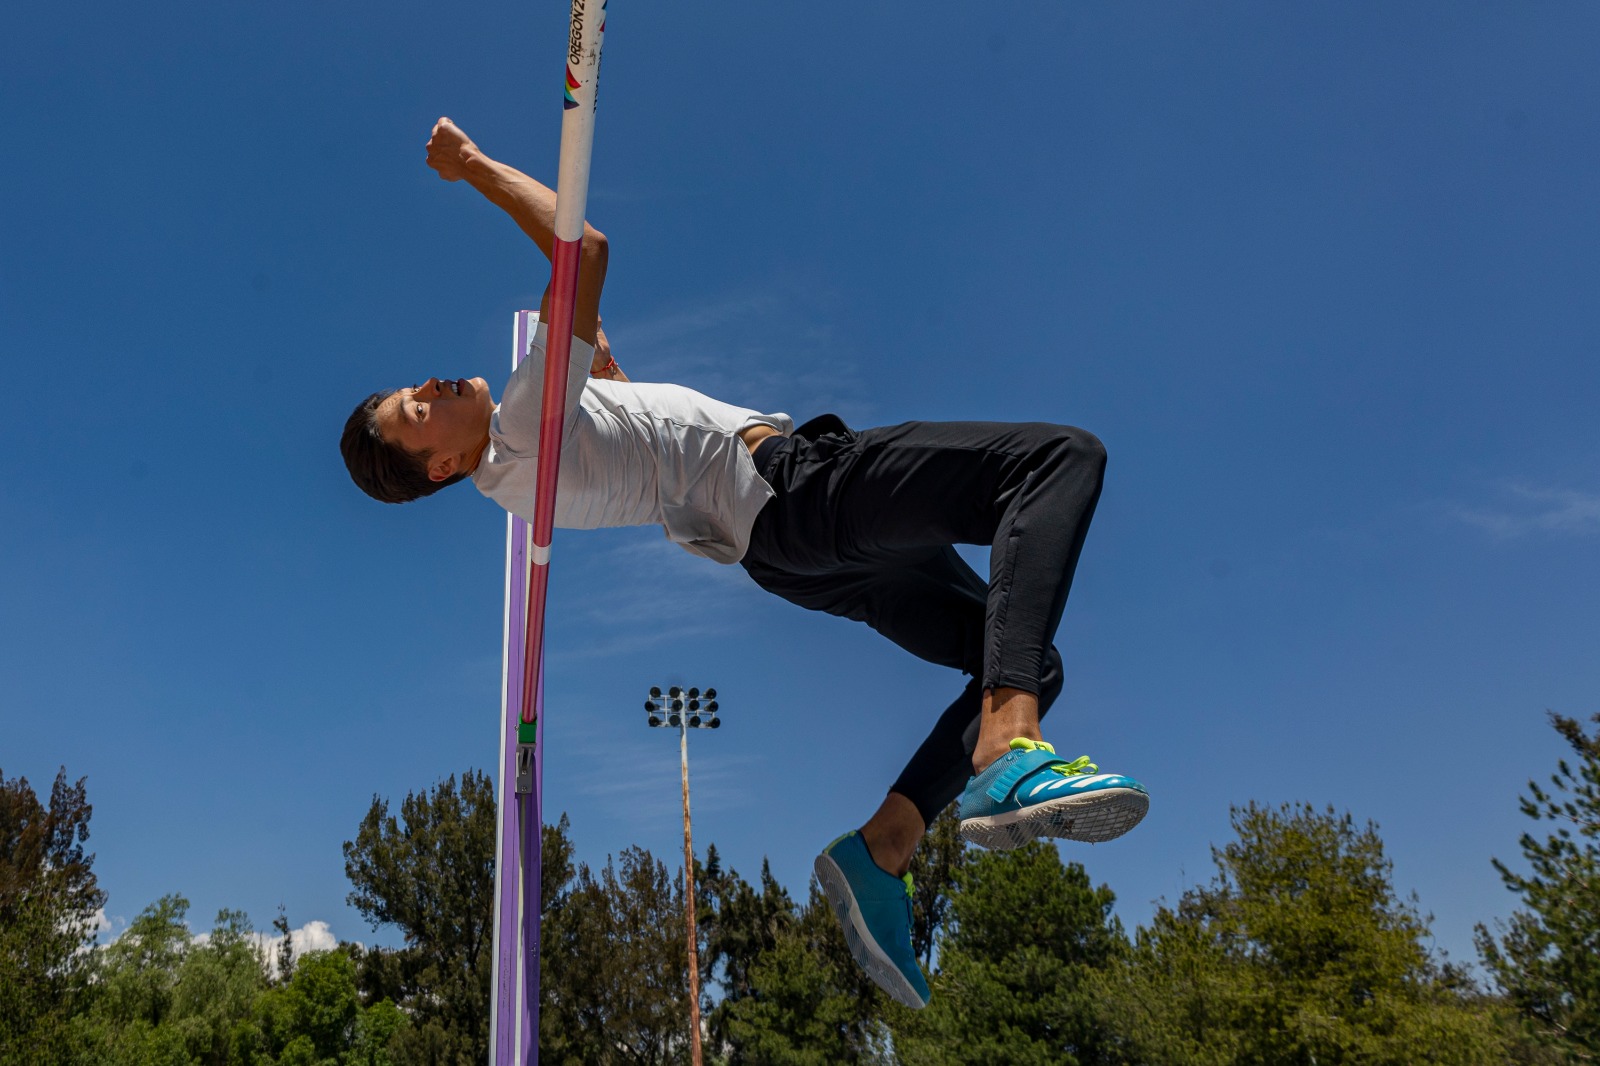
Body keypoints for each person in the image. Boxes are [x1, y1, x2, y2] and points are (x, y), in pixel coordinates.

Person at [341, 118, 1149, 1009]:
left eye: (409, 389)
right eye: (413, 416)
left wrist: (610, 376)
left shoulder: (521, 466)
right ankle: (1009, 744)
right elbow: (586, 253)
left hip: (787, 554)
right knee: (1056, 460)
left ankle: (885, 846)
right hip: (795, 492)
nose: (427, 389)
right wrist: (474, 168)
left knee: (1028, 658)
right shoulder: (519, 432)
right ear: (440, 468)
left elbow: (639, 436)